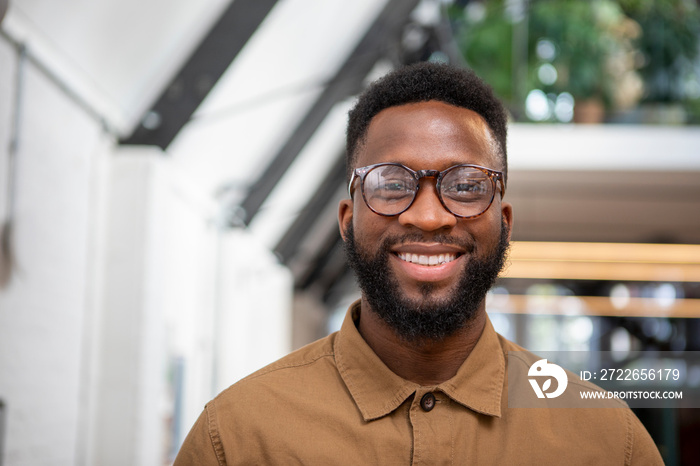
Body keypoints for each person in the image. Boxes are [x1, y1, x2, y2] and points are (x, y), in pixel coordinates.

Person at [174, 62, 663, 465]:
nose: (428, 217)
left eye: (467, 185)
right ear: (348, 219)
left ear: (504, 220)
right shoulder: (237, 439)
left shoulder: (607, 443)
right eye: (391, 183)